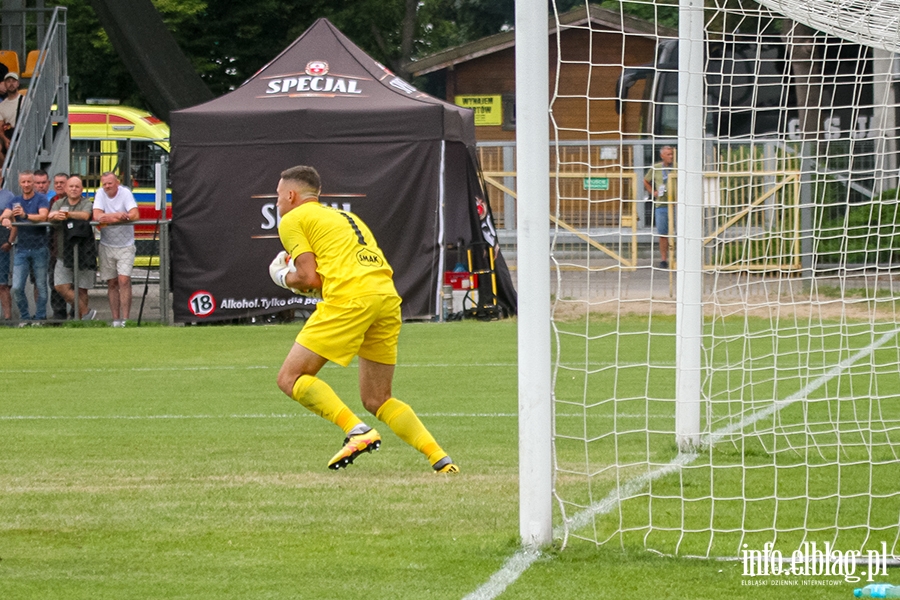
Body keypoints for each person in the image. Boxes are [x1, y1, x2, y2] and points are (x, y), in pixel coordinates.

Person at [270, 165, 458, 473]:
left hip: (351, 297)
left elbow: (309, 277)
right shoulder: (347, 217)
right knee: (377, 398)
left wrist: (282, 276)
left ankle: (357, 431)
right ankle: (441, 460)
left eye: (278, 196)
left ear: (291, 195)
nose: (277, 203)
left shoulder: (292, 219)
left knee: (289, 378)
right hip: (385, 298)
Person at [0, 170, 50, 323]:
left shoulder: (41, 199)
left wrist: (25, 216)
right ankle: (25, 317)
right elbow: (5, 214)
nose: (27, 185)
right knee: (16, 287)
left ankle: (40, 318)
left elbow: (43, 216)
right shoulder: (15, 201)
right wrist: (6, 219)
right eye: (24, 182)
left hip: (40, 247)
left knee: (41, 286)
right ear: (19, 183)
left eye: (29, 182)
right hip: (21, 248)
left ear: (33, 183)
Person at [92, 172, 138, 327]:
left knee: (124, 280)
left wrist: (108, 218)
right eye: (104, 184)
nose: (107, 187)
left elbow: (134, 214)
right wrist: (119, 216)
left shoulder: (125, 193)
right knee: (111, 283)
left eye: (109, 183)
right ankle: (116, 319)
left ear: (117, 183)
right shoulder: (100, 193)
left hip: (126, 244)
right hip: (106, 244)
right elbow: (97, 216)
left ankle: (126, 318)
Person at [49, 175, 96, 320]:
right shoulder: (58, 203)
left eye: (77, 186)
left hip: (84, 252)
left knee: (82, 289)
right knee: (60, 286)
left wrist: (67, 214)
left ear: (81, 189)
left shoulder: (86, 202)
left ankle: (81, 322)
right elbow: (50, 215)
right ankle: (86, 312)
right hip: (63, 252)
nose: (74, 189)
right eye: (71, 186)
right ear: (66, 188)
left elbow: (85, 215)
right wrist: (55, 216)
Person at [34, 169, 68, 320]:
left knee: (71, 283)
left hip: (69, 244)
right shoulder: (53, 201)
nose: (59, 185)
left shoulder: (75, 199)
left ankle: (77, 314)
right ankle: (57, 315)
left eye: (63, 183)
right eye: (57, 183)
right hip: (51, 244)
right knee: (51, 281)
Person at [643, 145, 676, 269]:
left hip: (676, 204)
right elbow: (645, 180)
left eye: (672, 154)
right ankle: (663, 259)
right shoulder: (656, 168)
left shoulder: (677, 167)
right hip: (662, 204)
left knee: (679, 232)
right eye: (668, 154)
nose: (671, 157)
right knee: (663, 233)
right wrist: (653, 192)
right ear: (662, 156)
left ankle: (678, 257)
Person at [0, 176, 13, 320]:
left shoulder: (8, 196)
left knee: (2, 285)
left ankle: (8, 318)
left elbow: (12, 219)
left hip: (1, 246)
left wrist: (9, 241)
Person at [0, 72, 22, 139]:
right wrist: (5, 140)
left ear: (18, 84)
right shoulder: (2, 105)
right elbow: (0, 127)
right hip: (10, 136)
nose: (11, 84)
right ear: (5, 84)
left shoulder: (26, 101)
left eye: (14, 81)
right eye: (8, 81)